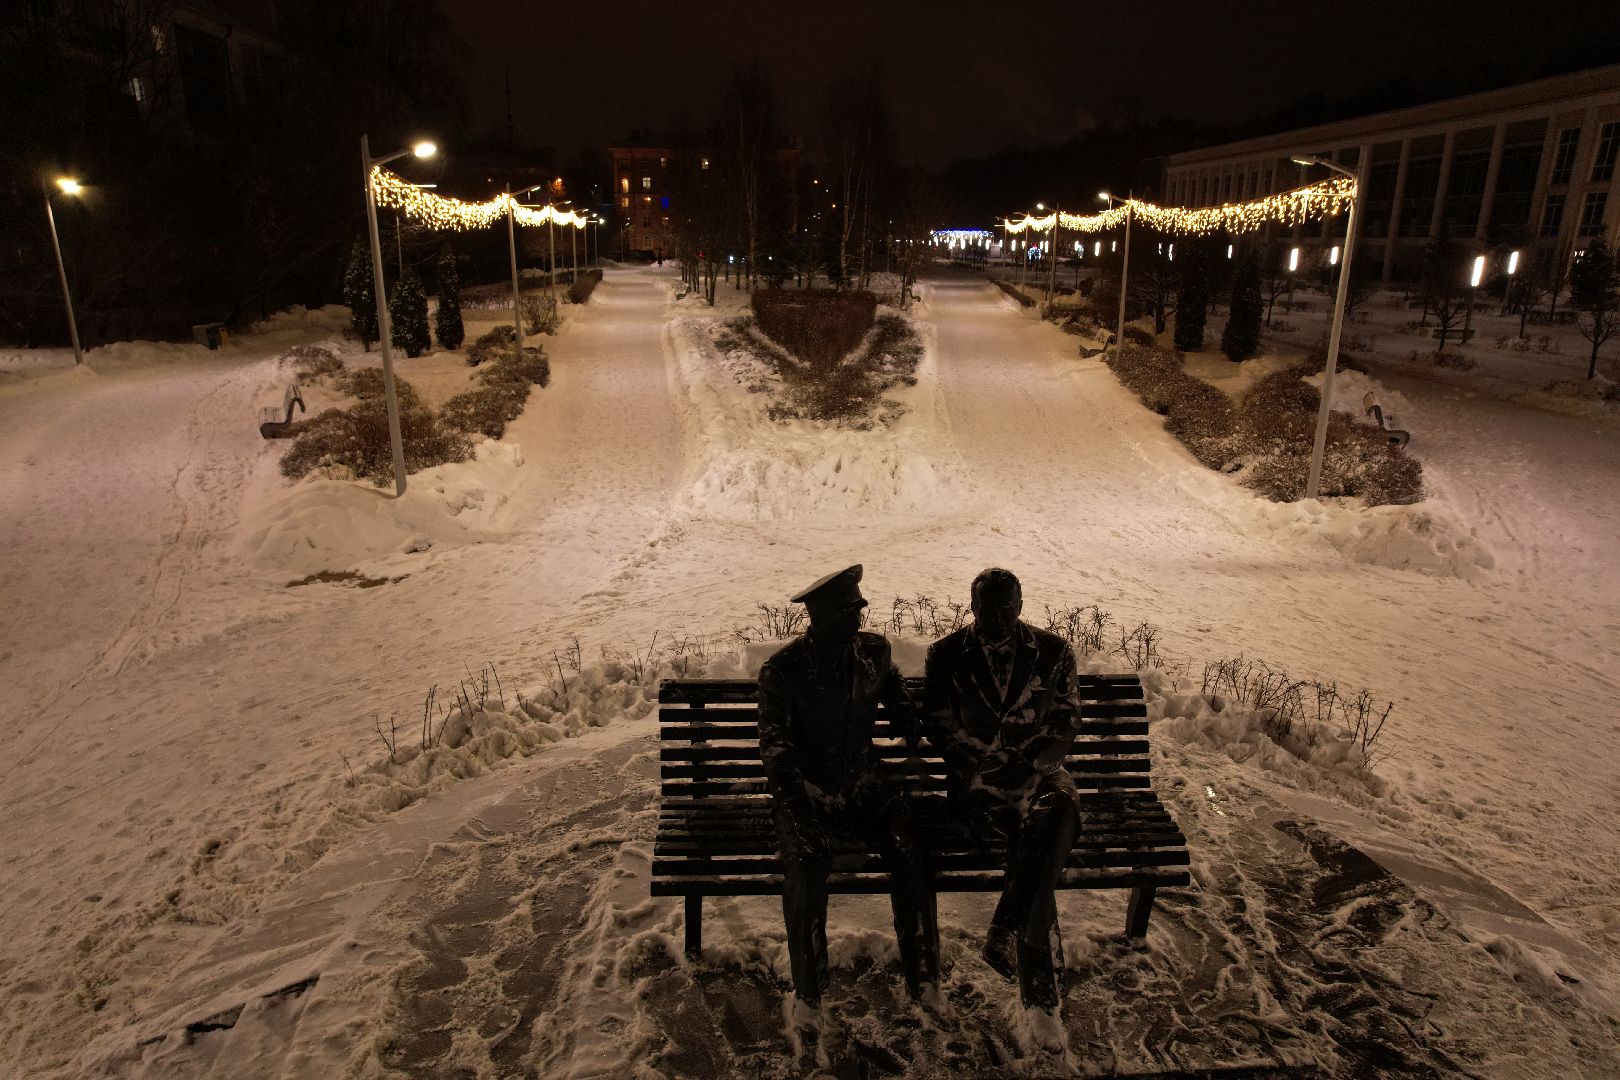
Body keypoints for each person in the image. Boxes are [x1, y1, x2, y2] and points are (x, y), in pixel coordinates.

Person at [758, 564, 940, 1009]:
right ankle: (809, 991)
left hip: (866, 785)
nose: (858, 619)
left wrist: (902, 708)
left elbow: (891, 682)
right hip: (808, 791)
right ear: (817, 618)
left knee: (910, 847)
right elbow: (777, 754)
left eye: (859, 608)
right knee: (805, 860)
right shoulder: (783, 671)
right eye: (847, 612)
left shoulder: (873, 651)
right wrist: (801, 814)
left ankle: (925, 979)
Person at [921, 567, 1083, 1012]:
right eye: (985, 610)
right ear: (970, 608)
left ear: (1021, 607)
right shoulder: (946, 654)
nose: (995, 620)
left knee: (1060, 806)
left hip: (1037, 772)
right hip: (978, 780)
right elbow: (936, 721)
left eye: (1005, 609)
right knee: (1043, 841)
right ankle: (1040, 981)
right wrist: (981, 765)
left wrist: (1030, 761)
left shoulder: (1054, 652)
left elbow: (1066, 720)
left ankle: (1005, 931)